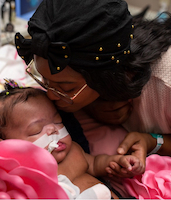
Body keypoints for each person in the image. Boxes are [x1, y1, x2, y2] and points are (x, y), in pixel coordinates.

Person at [14, 0, 171, 180]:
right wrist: (91, 106)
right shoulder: (98, 54)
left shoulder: (166, 83)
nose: (50, 95)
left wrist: (153, 141)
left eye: (66, 87)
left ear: (105, 77)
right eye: (44, 80)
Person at [0, 80, 144, 199]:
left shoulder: (74, 152)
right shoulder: (25, 172)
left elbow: (95, 164)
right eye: (37, 130)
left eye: (57, 121)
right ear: (10, 145)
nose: (53, 130)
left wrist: (116, 162)